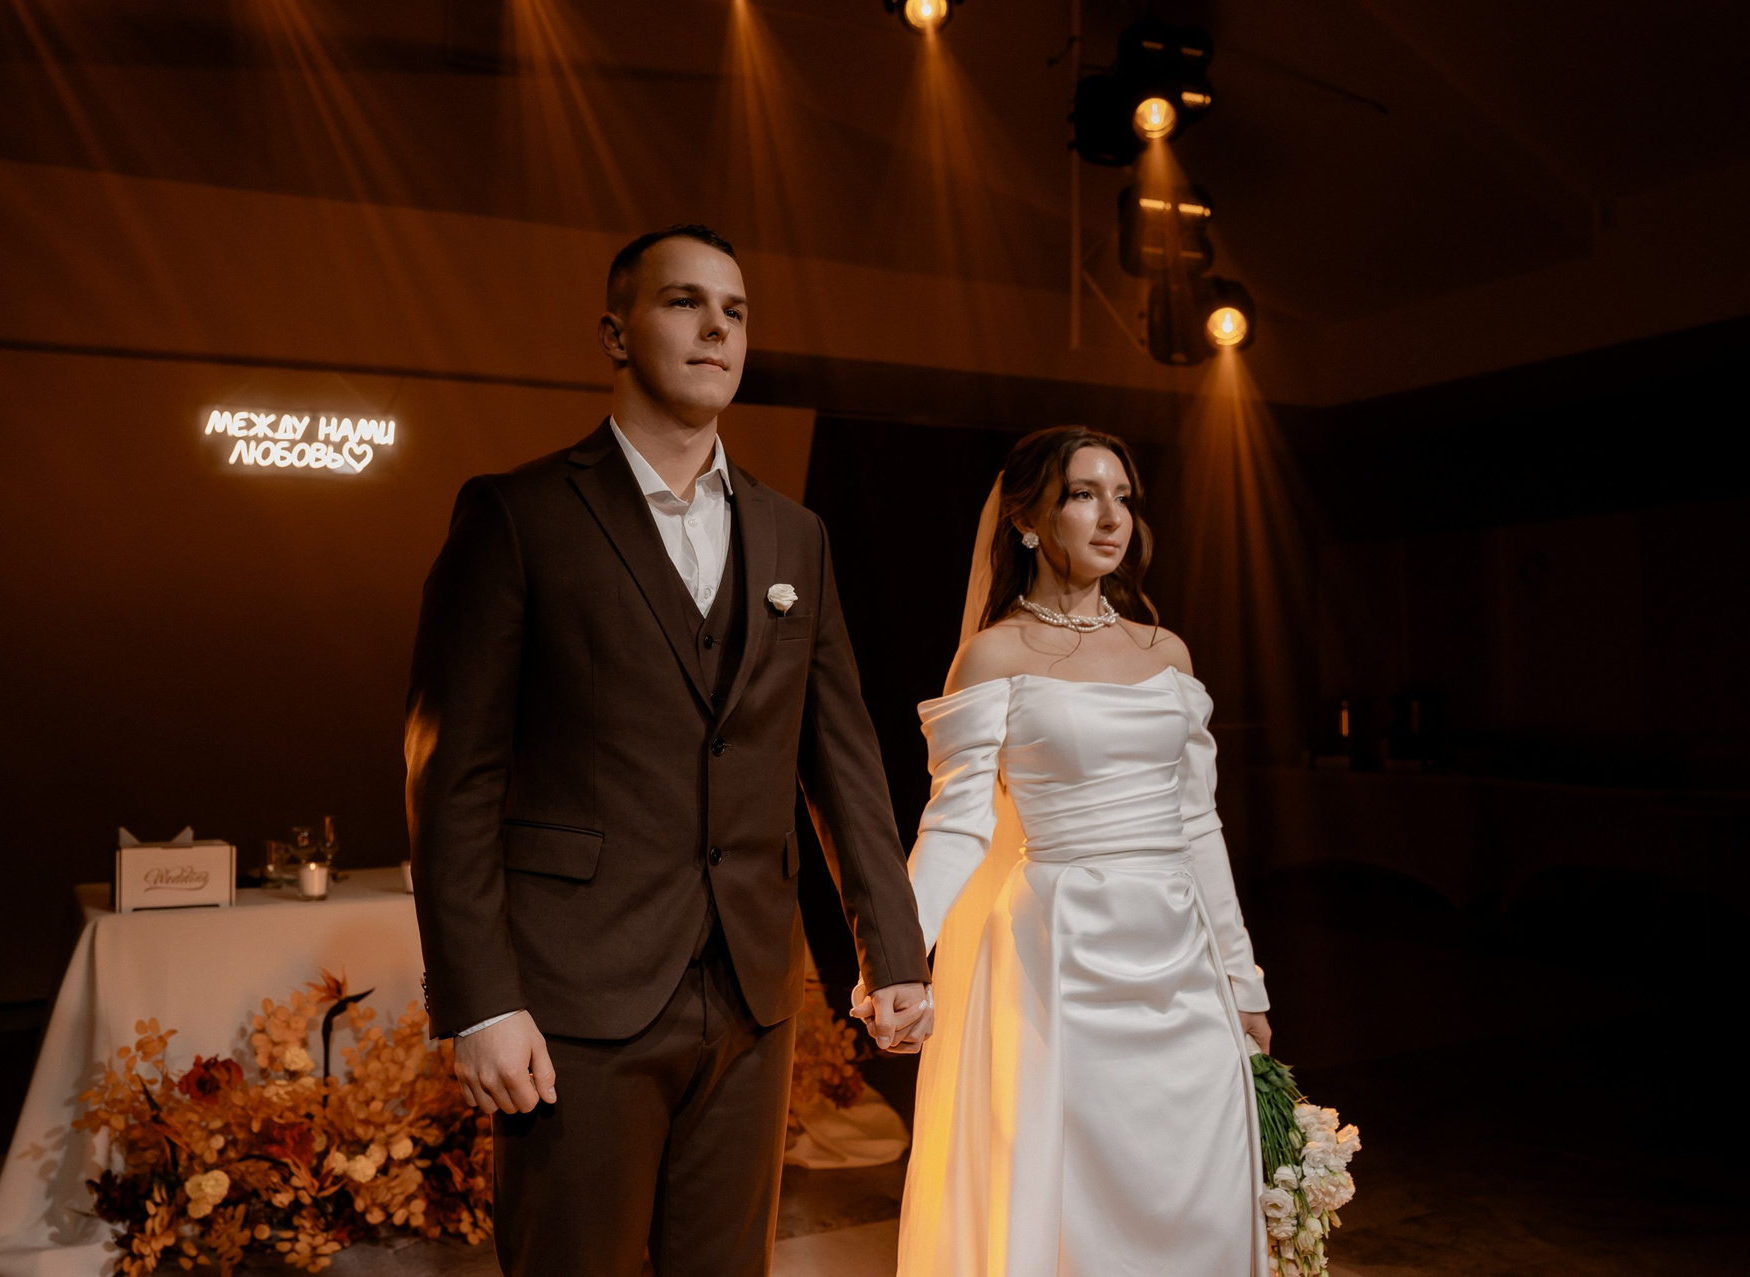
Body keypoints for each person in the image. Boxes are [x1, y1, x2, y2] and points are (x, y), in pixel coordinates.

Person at [404, 223, 934, 1277]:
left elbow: (841, 756)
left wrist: (894, 949)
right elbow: (452, 776)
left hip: (750, 995)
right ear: (615, 332)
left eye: (735, 311)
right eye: (685, 302)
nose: (717, 329)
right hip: (575, 993)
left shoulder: (796, 536)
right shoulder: (519, 514)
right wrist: (481, 999)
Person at [895, 426, 1274, 1276]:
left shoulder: (1164, 651)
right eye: (1082, 494)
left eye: (1123, 498)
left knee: (1195, 1175)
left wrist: (1242, 978)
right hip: (1058, 958)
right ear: (1026, 520)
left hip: (1180, 958)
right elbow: (956, 825)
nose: (1112, 518)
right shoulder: (991, 655)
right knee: (1076, 1192)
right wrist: (893, 955)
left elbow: (1198, 825)